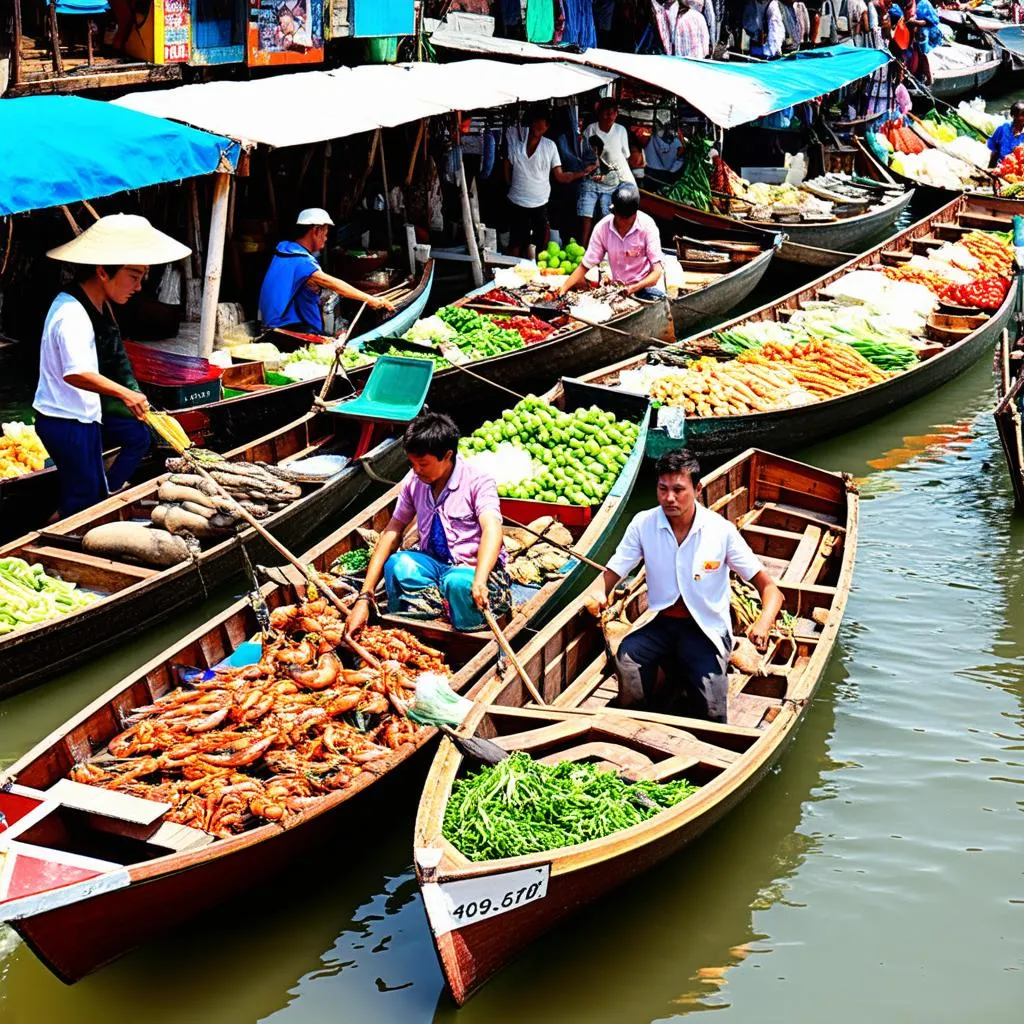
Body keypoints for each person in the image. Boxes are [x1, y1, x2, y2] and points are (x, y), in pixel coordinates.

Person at [583, 449, 783, 722]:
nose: (669, 498)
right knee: (628, 660)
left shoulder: (719, 531)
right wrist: (598, 591)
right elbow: (613, 572)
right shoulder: (643, 524)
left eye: (679, 489)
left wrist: (763, 622)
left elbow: (770, 589)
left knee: (712, 713)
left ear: (698, 489)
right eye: (662, 488)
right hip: (662, 624)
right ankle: (631, 721)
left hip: (706, 630)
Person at [32, 214, 189, 518]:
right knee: (85, 507)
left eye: (142, 277)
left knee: (129, 445)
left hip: (83, 416)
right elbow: (76, 372)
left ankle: (105, 492)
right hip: (67, 421)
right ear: (103, 272)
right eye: (133, 276)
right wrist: (126, 394)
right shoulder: (72, 314)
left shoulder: (95, 305)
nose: (139, 287)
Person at [343, 411, 511, 636]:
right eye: (412, 463)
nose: (416, 470)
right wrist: (365, 596)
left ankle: (467, 636)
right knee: (396, 564)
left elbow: (492, 530)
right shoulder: (415, 481)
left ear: (447, 455)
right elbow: (393, 530)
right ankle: (414, 624)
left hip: (471, 569)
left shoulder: (478, 482)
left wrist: (480, 578)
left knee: (458, 583)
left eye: (423, 464)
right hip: (433, 563)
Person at [258, 208, 393, 335]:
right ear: (316, 230)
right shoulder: (302, 262)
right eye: (325, 233)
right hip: (287, 329)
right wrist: (370, 299)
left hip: (271, 323)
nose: (326, 239)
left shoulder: (284, 249)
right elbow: (335, 284)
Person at [505, 106, 593, 258]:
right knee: (516, 242)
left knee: (540, 245)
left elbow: (560, 176)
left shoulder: (550, 146)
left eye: (544, 123)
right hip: (516, 200)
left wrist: (583, 173)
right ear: (531, 122)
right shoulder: (516, 139)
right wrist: (509, 183)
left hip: (540, 202)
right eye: (538, 121)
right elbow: (507, 162)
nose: (540, 125)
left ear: (547, 127)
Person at [555, 183, 665, 299]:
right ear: (613, 211)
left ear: (635, 214)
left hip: (646, 287)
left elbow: (657, 272)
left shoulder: (647, 226)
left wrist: (634, 288)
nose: (621, 222)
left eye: (626, 218)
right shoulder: (602, 228)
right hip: (619, 289)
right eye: (619, 216)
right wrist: (563, 290)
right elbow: (585, 265)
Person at [581, 98, 636, 244]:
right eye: (606, 113)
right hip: (593, 178)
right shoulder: (590, 130)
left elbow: (626, 155)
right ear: (599, 114)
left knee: (609, 216)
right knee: (587, 214)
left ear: (616, 114)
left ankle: (608, 247)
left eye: (612, 113)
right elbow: (585, 155)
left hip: (617, 180)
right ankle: (585, 247)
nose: (609, 117)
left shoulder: (620, 130)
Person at [989, 101, 1024, 168]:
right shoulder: (1003, 128)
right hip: (1000, 167)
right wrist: (990, 169)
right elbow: (995, 151)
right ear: (1013, 116)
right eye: (1022, 114)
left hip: (1016, 171)